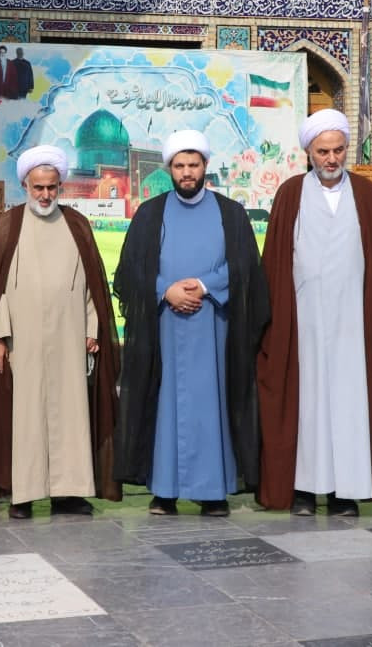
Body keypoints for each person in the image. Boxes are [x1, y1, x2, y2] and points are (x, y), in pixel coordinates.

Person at [114, 129, 268, 517]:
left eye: (193, 165)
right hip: (163, 329)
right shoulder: (150, 214)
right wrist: (165, 290)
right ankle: (164, 491)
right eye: (180, 166)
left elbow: (245, 267)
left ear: (205, 166)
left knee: (211, 404)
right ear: (169, 168)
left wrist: (203, 285)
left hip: (214, 328)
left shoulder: (230, 214)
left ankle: (212, 492)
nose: (187, 173)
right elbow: (130, 270)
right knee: (164, 405)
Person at [0, 145, 121, 519]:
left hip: (70, 338)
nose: (45, 195)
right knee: (26, 417)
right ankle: (24, 494)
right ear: (25, 185)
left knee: (71, 414)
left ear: (60, 186)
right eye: (38, 187)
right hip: (23, 342)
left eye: (52, 187)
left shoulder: (76, 225)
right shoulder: (5, 228)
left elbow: (92, 285)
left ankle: (69, 492)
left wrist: (92, 328)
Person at [258, 110, 372, 516]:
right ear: (309, 153)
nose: (331, 159)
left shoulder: (366, 194)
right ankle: (303, 490)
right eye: (323, 152)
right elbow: (276, 261)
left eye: (338, 150)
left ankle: (345, 493)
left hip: (353, 320)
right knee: (308, 403)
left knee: (350, 403)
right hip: (304, 320)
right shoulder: (291, 193)